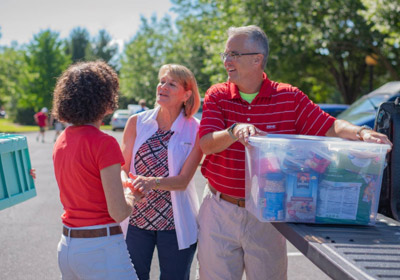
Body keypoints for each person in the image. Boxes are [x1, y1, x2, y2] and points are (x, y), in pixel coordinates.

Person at [197, 25, 392, 280]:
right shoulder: (218, 95)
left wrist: (362, 133)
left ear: (257, 59)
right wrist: (235, 130)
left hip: (269, 214)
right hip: (220, 210)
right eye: (225, 55)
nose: (226, 61)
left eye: (233, 54)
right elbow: (206, 143)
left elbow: (329, 125)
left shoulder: (289, 97)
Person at [52, 61, 141, 280]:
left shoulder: (61, 139)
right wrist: (132, 195)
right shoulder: (104, 143)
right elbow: (119, 212)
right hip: (101, 247)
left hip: (68, 246)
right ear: (105, 99)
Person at [120, 64, 203, 280]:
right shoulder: (136, 122)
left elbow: (183, 180)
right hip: (136, 220)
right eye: (162, 81)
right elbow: (122, 168)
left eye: (171, 84)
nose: (163, 87)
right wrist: (128, 188)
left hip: (176, 224)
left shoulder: (196, 129)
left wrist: (152, 182)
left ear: (187, 95)